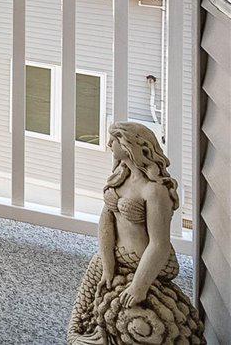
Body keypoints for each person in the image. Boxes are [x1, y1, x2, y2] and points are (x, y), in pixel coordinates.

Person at [68, 121, 203, 345]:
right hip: (116, 256)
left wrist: (139, 286)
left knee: (131, 312)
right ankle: (85, 333)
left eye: (115, 138)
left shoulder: (155, 190)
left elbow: (159, 243)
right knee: (94, 292)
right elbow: (106, 221)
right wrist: (108, 262)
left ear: (131, 144)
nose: (109, 143)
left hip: (144, 262)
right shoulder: (119, 178)